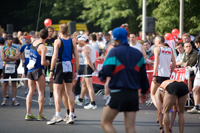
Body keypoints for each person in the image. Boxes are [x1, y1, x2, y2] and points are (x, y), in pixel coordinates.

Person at [98, 27, 149, 133]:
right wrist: (144, 92)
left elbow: (105, 71)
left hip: (118, 92)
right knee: (130, 128)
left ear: (115, 39)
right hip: (133, 94)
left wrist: (102, 77)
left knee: (105, 122)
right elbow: (143, 76)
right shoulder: (138, 53)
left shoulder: (114, 52)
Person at [47, 24, 78, 125]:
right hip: (69, 65)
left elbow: (54, 57)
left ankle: (57, 114)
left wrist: (51, 70)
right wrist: (76, 71)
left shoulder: (57, 41)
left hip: (60, 65)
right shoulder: (72, 41)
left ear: (59, 31)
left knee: (57, 91)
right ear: (68, 30)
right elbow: (76, 57)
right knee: (69, 91)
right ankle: (71, 115)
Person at [25, 28, 50, 121]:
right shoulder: (43, 47)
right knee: (41, 92)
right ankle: (40, 114)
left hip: (30, 69)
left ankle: (28, 113)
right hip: (38, 69)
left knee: (31, 91)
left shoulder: (34, 42)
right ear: (47, 36)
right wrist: (48, 62)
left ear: (39, 35)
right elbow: (43, 62)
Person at [150, 35, 176, 111]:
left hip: (158, 74)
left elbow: (156, 62)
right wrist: (170, 73)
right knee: (163, 95)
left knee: (153, 94)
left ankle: (160, 109)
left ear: (158, 42)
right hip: (166, 75)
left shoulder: (157, 49)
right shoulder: (170, 49)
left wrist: (154, 75)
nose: (154, 42)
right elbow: (174, 63)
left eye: (155, 41)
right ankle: (163, 111)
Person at [76, 35, 98, 109]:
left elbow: (88, 59)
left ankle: (93, 103)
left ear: (83, 41)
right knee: (84, 84)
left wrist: (93, 68)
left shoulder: (85, 48)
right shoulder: (90, 46)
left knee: (89, 86)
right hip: (88, 67)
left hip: (87, 67)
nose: (80, 42)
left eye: (81, 40)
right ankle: (80, 99)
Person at [1, 35, 20, 106]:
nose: (10, 40)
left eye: (11, 39)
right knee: (5, 83)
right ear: (6, 40)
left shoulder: (15, 48)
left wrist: (8, 57)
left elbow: (17, 57)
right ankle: (4, 99)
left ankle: (14, 99)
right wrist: (12, 58)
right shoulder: (3, 48)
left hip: (13, 66)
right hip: (6, 66)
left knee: (14, 83)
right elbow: (3, 58)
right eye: (9, 39)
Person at [187, 35, 200, 114]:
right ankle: (196, 106)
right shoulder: (199, 50)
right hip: (198, 71)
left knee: (196, 89)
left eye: (195, 43)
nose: (195, 45)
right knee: (195, 89)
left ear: (198, 43)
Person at [44, 26, 55, 105]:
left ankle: (51, 97)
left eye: (51, 31)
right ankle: (43, 96)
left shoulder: (55, 40)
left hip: (52, 61)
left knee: (51, 79)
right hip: (44, 60)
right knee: (42, 79)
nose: (50, 33)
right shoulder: (44, 40)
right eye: (49, 31)